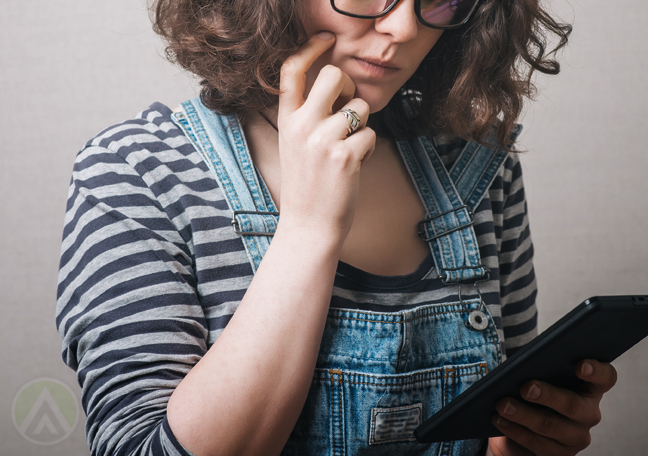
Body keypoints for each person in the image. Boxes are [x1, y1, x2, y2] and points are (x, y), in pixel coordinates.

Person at [55, 0, 618, 455]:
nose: (400, 27)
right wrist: (308, 227)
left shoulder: (478, 167)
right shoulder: (135, 175)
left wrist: (521, 440)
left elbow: (502, 418)